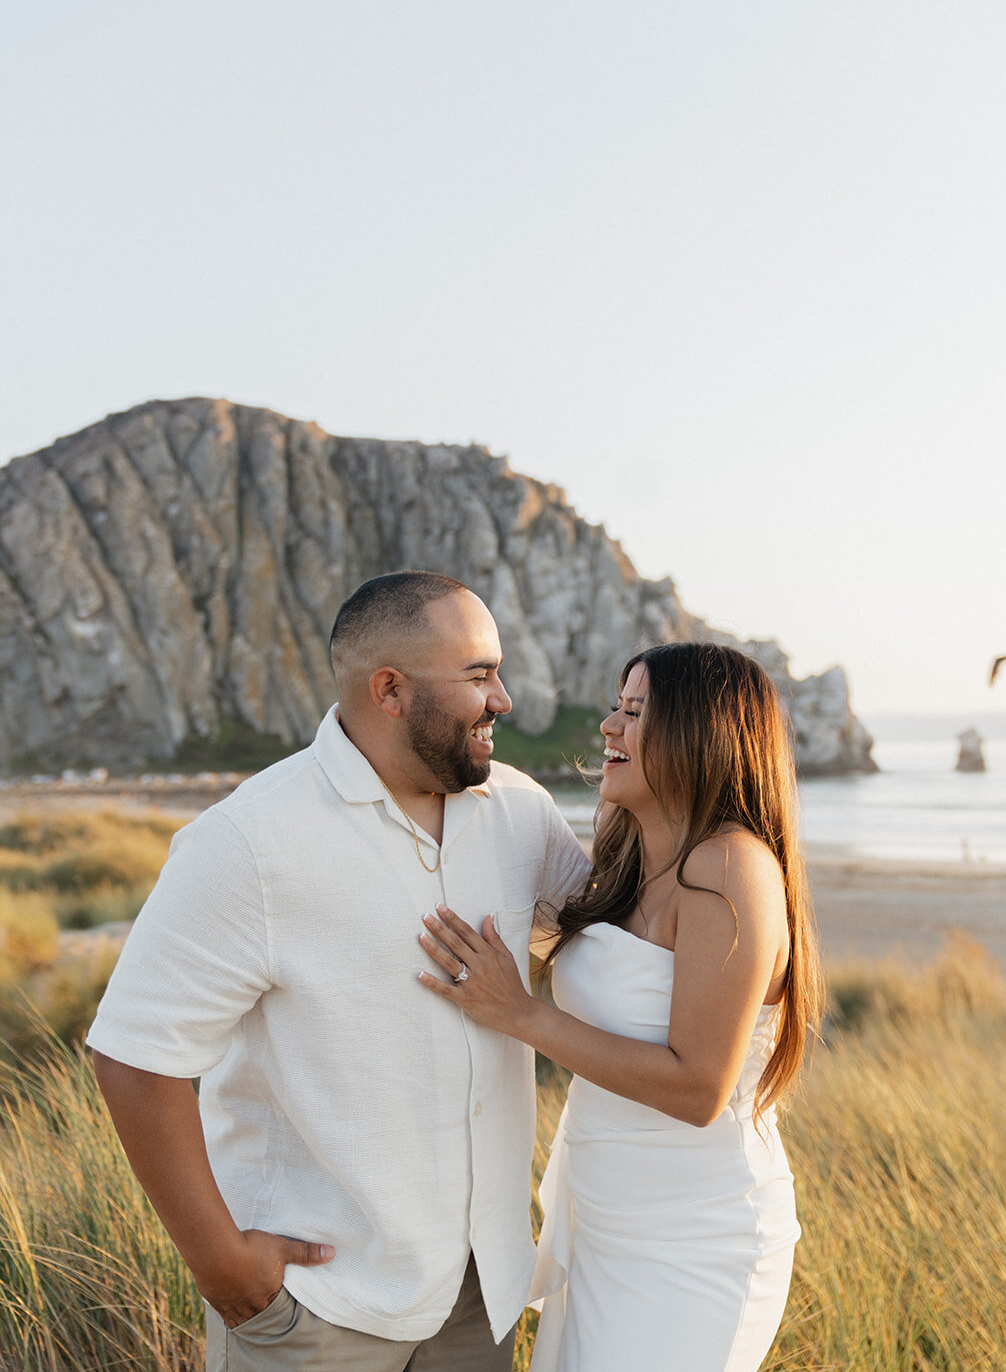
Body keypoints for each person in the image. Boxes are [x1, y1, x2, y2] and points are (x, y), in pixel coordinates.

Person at [88, 570, 590, 1372]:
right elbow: (133, 1055)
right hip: (318, 1307)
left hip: (480, 1292)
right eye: (478, 675)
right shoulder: (249, 841)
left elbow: (611, 941)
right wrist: (221, 1263)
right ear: (389, 690)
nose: (502, 699)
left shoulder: (520, 809)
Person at [418, 642, 824, 1372]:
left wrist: (519, 1014)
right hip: (603, 1222)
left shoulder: (729, 866)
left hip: (696, 1241)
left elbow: (699, 1088)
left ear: (701, 734)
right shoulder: (627, 859)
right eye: (616, 706)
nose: (609, 725)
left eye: (635, 712)